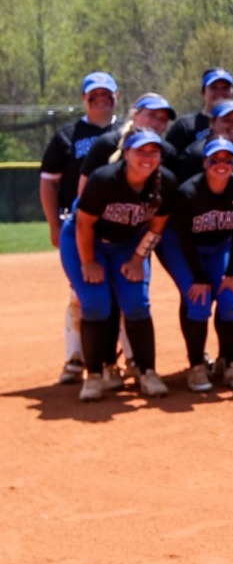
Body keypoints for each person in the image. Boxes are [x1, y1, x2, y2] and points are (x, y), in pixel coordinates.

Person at [65, 129, 178, 402]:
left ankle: (147, 372)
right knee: (95, 303)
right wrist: (89, 262)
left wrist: (138, 259)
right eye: (140, 151)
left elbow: (156, 227)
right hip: (86, 241)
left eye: (154, 152)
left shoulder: (166, 183)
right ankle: (95, 375)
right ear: (126, 153)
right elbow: (83, 224)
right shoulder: (104, 179)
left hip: (127, 245)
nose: (147, 158)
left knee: (137, 302)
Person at [40, 71, 120, 385]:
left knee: (122, 293)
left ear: (116, 97)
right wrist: (52, 225)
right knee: (81, 293)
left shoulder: (128, 132)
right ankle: (76, 358)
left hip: (119, 223)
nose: (101, 99)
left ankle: (120, 360)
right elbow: (48, 183)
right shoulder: (67, 136)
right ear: (83, 99)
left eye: (106, 94)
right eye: (94, 94)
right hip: (79, 224)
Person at [162, 138, 233, 391]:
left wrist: (230, 273)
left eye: (228, 159)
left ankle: (229, 364)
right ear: (205, 162)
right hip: (183, 249)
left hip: (220, 247)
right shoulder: (189, 192)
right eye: (215, 159)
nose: (221, 164)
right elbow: (184, 238)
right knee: (198, 299)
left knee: (231, 300)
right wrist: (199, 277)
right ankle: (196, 367)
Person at [166, 68, 233, 153]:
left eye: (225, 88)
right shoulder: (185, 126)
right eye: (213, 87)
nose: (220, 92)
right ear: (203, 92)